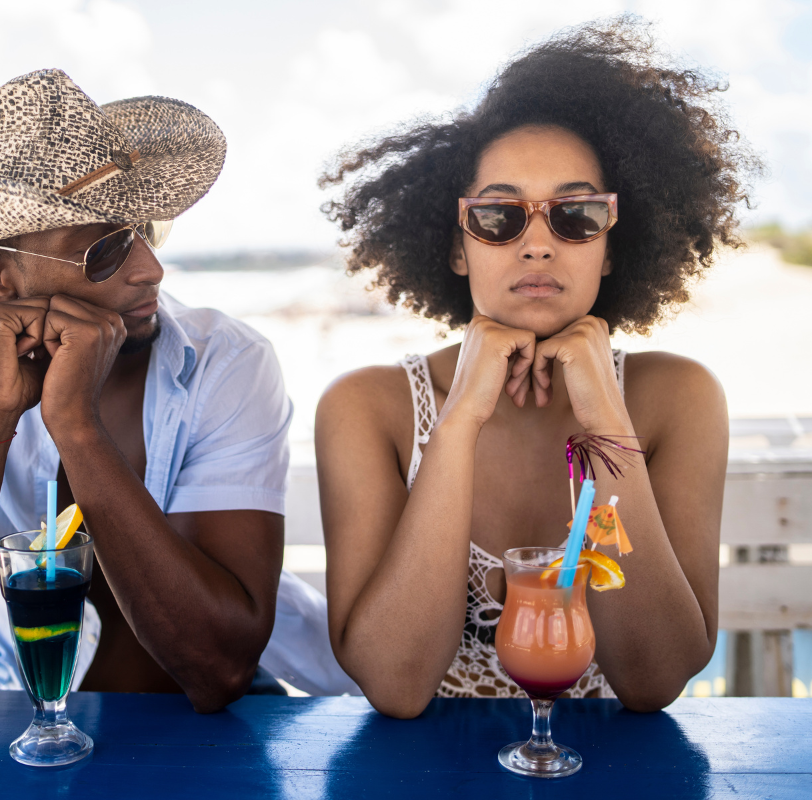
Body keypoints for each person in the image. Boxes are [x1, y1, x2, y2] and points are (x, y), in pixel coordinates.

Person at [314, 19, 758, 718]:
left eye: (576, 214)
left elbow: (654, 677)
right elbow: (396, 685)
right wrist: (458, 422)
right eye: (499, 217)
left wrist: (607, 421)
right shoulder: (367, 407)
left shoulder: (679, 398)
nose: (539, 245)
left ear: (612, 246)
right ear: (457, 246)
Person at [0, 69, 307, 713]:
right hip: (19, 726)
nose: (150, 268)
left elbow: (220, 669)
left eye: (146, 229)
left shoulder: (225, 362)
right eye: (105, 250)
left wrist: (76, 427)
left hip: (199, 732)